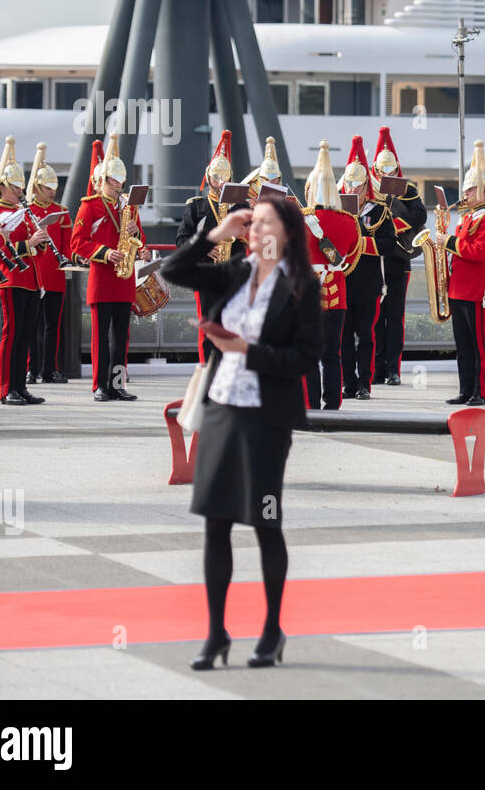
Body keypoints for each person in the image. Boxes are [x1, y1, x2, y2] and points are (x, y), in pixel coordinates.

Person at [160, 194, 321, 671]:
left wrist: (243, 349)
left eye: (266, 223)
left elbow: (305, 360)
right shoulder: (234, 272)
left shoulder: (301, 287)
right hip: (221, 410)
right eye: (252, 224)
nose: (256, 231)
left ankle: (272, 630)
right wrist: (216, 233)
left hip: (267, 418)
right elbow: (172, 271)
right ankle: (215, 634)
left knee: (266, 522)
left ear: (288, 233)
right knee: (216, 523)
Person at [70, 133, 149, 402]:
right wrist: (105, 253)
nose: (118, 186)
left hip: (124, 279)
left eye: (120, 182)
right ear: (103, 181)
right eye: (114, 181)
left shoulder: (129, 207)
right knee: (100, 337)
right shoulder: (89, 207)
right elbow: (77, 243)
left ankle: (117, 384)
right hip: (102, 277)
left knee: (121, 338)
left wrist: (136, 235)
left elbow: (140, 239)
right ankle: (99, 386)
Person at [433, 140, 485, 406]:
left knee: (479, 346)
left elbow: (479, 251)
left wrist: (448, 242)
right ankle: (465, 389)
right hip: (459, 288)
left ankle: (480, 392)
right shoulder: (466, 218)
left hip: (477, 290)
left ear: (484, 190)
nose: (466, 194)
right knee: (463, 345)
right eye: (466, 190)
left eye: (471, 190)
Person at [176, 130, 248, 365]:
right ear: (208, 178)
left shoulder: (240, 206)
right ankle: (207, 372)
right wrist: (204, 249)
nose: (220, 182)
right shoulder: (196, 207)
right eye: (216, 178)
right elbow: (181, 241)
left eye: (224, 177)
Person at [300, 141, 361, 410]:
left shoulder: (301, 220)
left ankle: (311, 404)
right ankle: (333, 403)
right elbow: (350, 258)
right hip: (337, 297)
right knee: (332, 355)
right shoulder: (350, 221)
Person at [0, 137, 49, 406]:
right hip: (11, 278)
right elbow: (1, 248)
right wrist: (30, 243)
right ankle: (6, 388)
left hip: (31, 279)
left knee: (25, 335)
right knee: (11, 334)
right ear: (2, 187)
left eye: (20, 188)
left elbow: (36, 249)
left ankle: (20, 386)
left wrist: (42, 241)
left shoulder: (24, 212)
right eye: (14, 188)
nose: (19, 192)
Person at [368, 126, 426, 385]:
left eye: (391, 170)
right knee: (375, 317)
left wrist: (397, 222)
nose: (388, 174)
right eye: (384, 171)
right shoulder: (367, 190)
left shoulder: (407, 189)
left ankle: (393, 369)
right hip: (375, 259)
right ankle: (377, 368)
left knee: (395, 316)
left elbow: (420, 215)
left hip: (398, 258)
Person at [339, 137, 393, 400]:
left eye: (358, 187)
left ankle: (364, 384)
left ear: (365, 188)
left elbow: (389, 245)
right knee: (344, 338)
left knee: (366, 336)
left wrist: (361, 242)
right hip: (343, 281)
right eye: (350, 186)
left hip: (368, 283)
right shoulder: (338, 211)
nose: (354, 191)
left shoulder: (379, 211)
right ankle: (348, 383)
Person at [25, 143, 74, 385]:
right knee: (32, 325)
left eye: (54, 187)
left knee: (52, 326)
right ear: (37, 187)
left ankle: (49, 369)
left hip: (55, 274)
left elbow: (68, 244)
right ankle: (30, 369)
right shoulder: (27, 210)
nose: (52, 192)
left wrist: (69, 260)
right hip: (34, 274)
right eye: (48, 187)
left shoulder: (61, 211)